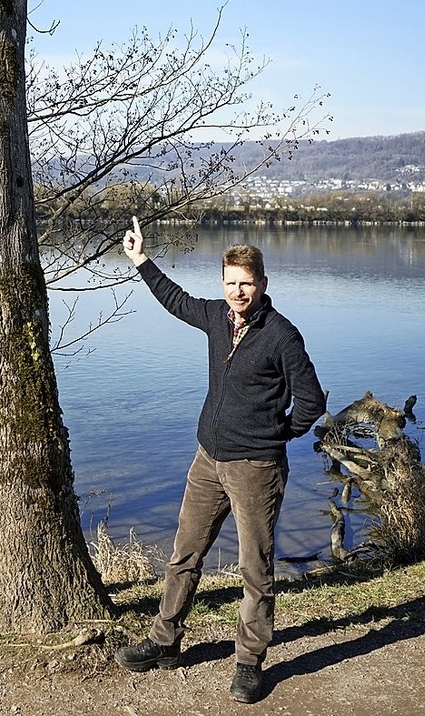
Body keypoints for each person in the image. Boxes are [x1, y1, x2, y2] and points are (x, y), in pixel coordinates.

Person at [114, 217, 326, 704]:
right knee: (185, 554)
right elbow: (175, 300)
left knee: (255, 568)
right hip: (208, 460)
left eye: (245, 283)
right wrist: (141, 260)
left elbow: (311, 402)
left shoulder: (281, 337)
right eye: (230, 283)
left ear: (262, 284)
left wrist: (275, 435)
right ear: (223, 283)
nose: (237, 292)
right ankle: (164, 641)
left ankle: (250, 662)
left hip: (257, 469)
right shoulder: (214, 316)